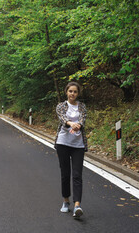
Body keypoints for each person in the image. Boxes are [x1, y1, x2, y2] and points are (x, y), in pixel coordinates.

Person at [54, 81, 88, 218]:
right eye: (70, 91)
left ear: (78, 93)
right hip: (63, 142)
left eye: (75, 91)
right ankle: (66, 201)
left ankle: (77, 205)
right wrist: (70, 123)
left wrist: (78, 124)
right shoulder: (61, 106)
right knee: (65, 173)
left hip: (78, 144)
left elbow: (83, 119)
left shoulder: (82, 107)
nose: (72, 93)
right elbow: (62, 118)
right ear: (66, 92)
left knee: (77, 175)